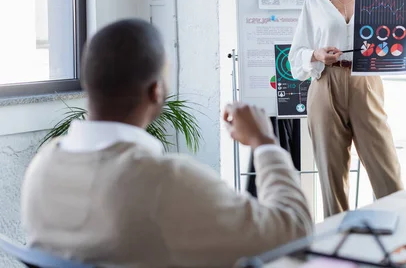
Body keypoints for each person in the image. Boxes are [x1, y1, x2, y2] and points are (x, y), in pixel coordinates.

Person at [21, 19, 312, 268]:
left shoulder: (42, 167)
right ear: (156, 91)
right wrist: (265, 143)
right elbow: (294, 233)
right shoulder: (165, 181)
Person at [289, 0, 406, 217]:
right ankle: (338, 247)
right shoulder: (315, 1)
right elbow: (296, 53)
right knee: (331, 176)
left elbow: (394, 50)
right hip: (326, 84)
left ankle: (397, 237)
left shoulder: (379, 0)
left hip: (366, 82)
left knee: (386, 169)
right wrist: (316, 55)